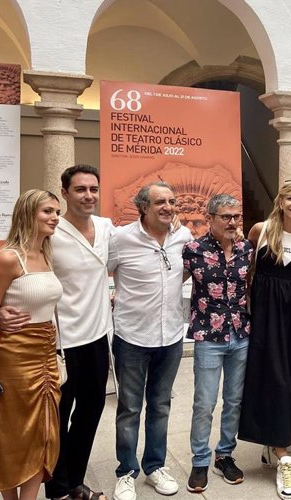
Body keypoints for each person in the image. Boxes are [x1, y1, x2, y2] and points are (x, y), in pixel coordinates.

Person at [0, 190, 64, 499]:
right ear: (28, 214)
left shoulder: (47, 254)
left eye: (56, 212)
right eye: (47, 211)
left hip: (45, 355)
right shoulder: (8, 257)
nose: (54, 217)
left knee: (44, 435)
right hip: (12, 358)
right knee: (12, 438)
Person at [108, 182, 192, 500]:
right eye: (160, 202)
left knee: (160, 405)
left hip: (170, 336)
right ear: (143, 207)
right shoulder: (121, 239)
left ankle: (155, 466)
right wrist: (114, 297)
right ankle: (126, 471)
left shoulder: (183, 237)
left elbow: (183, 272)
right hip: (132, 337)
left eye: (172, 201)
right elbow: (99, 271)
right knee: (130, 408)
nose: (168, 207)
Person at [238, 181, 291, 500]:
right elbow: (244, 274)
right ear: (280, 201)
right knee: (266, 378)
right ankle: (279, 450)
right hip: (264, 312)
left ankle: (278, 448)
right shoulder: (261, 230)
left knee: (290, 378)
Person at [182, 194, 253, 493]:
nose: (233, 222)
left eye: (236, 216)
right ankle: (200, 460)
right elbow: (170, 281)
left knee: (234, 401)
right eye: (226, 217)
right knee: (205, 403)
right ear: (209, 218)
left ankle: (224, 454)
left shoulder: (246, 249)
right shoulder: (194, 250)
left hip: (241, 335)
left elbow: (253, 286)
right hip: (208, 338)